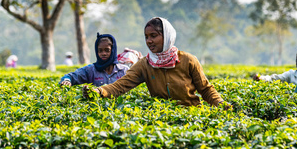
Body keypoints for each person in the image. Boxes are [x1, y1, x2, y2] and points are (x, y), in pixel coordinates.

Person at [82, 17, 230, 109]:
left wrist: (221, 104)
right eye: (146, 37)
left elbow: (205, 89)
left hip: (192, 115)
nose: (149, 41)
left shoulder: (188, 60)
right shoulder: (144, 64)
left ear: (166, 36)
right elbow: (120, 86)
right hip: (162, 119)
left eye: (154, 36)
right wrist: (99, 92)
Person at [59, 33, 129, 87]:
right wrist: (67, 80)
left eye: (107, 50)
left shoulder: (124, 71)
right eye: (100, 51)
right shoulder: (91, 70)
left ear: (113, 51)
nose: (103, 53)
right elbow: (71, 76)